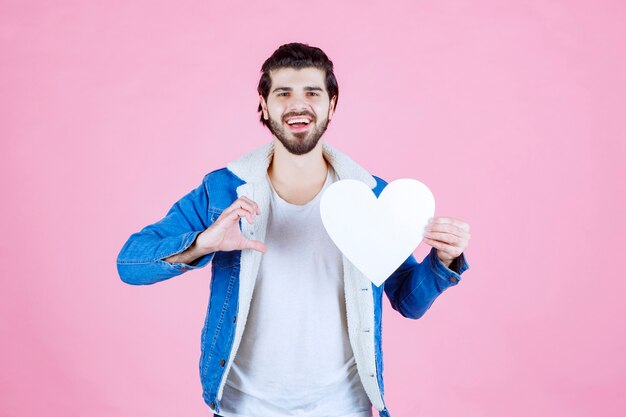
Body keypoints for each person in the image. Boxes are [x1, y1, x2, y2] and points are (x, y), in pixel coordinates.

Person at [116, 42, 471, 417]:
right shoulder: (222, 191)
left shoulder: (370, 197)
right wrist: (203, 244)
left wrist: (442, 261)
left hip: (345, 408)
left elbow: (407, 300)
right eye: (283, 93)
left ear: (331, 105)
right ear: (264, 106)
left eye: (312, 93)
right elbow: (130, 264)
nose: (297, 105)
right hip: (243, 409)